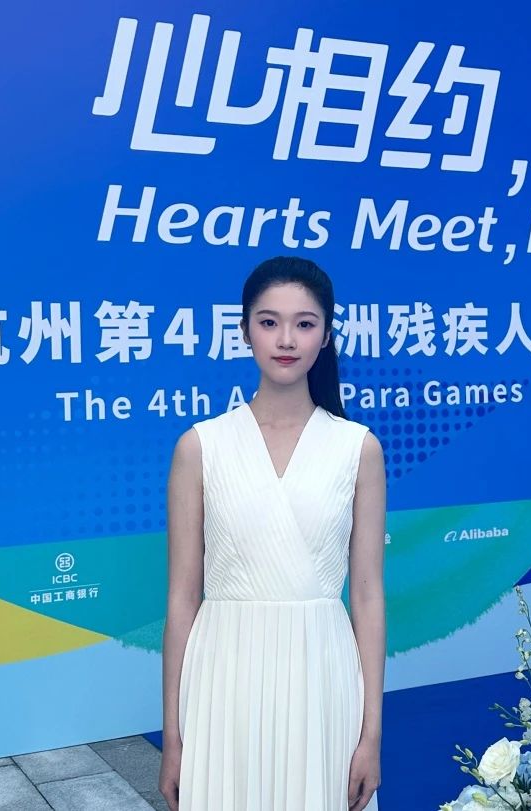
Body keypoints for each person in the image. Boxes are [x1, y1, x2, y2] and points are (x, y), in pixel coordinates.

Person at [158, 257, 386, 810]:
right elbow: (183, 599)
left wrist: (371, 735)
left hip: (322, 680)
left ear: (326, 335)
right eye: (268, 322)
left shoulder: (357, 448)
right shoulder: (200, 446)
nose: (286, 339)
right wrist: (173, 737)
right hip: (223, 681)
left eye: (304, 324)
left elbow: (366, 596)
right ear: (244, 330)